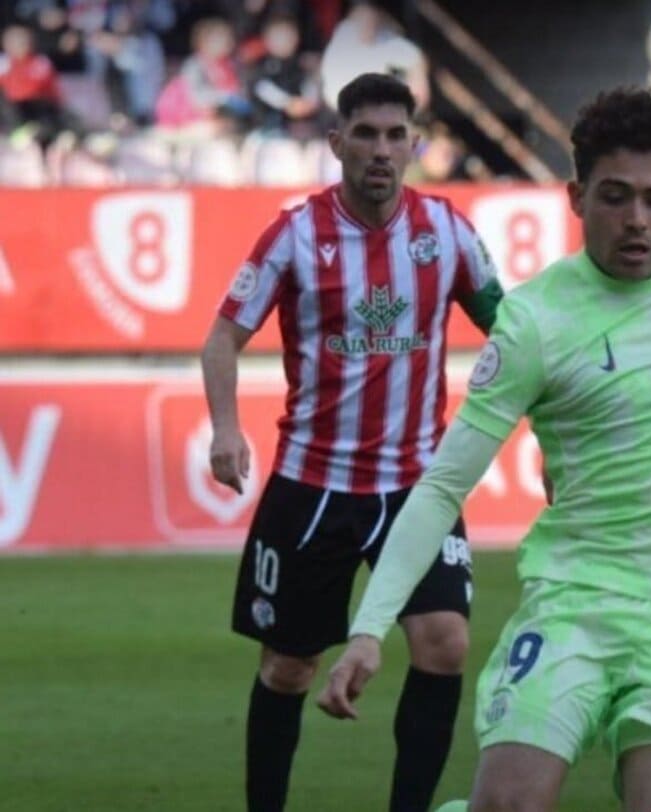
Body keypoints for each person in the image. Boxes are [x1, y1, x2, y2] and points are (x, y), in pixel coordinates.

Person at [316, 86, 651, 812]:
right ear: (576, 196)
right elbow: (440, 487)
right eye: (615, 197)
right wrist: (370, 629)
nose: (637, 221)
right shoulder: (535, 321)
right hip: (575, 607)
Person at [200, 72, 503, 812]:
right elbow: (221, 340)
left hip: (416, 486)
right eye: (365, 134)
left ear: (415, 145)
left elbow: (515, 335)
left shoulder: (449, 232)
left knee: (445, 644)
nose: (381, 150)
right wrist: (226, 428)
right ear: (337, 144)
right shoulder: (296, 234)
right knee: (290, 669)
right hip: (315, 484)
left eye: (396, 135)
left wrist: (560, 432)